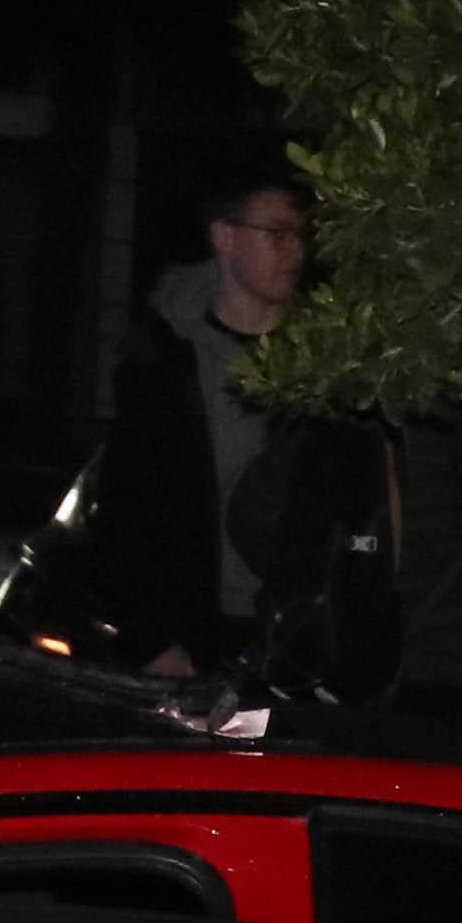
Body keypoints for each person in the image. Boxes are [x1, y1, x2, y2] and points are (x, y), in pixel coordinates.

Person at [90, 165, 397, 684]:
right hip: (196, 634)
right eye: (276, 234)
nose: (294, 252)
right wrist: (153, 640)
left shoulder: (331, 362)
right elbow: (126, 507)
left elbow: (362, 507)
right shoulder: (164, 359)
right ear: (224, 237)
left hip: (305, 639)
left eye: (301, 235)